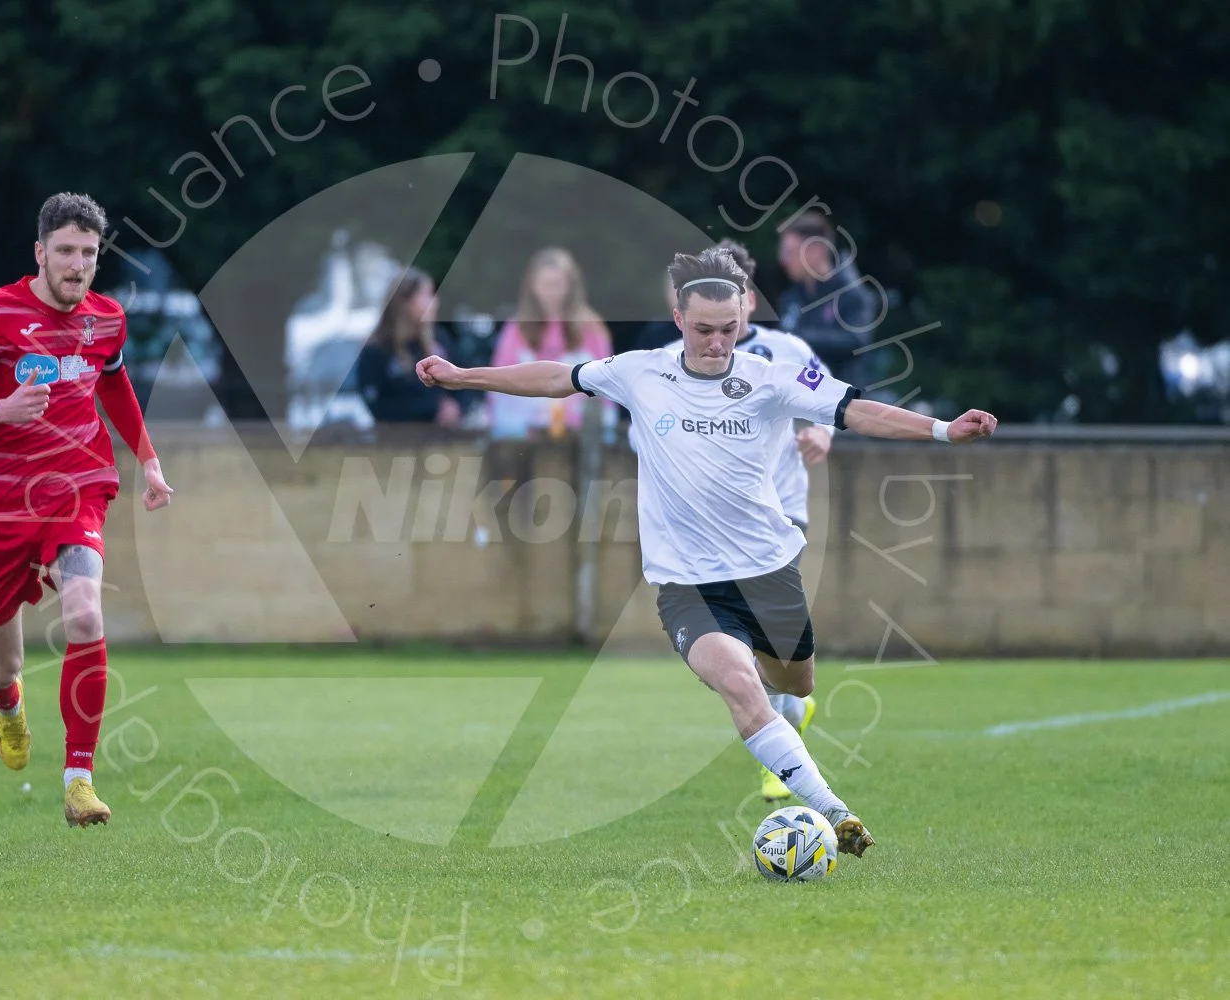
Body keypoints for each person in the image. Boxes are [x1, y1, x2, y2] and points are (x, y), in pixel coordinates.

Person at [416, 246, 997, 858]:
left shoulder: (772, 374)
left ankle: (788, 715)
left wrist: (941, 430)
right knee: (739, 684)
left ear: (743, 319)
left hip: (770, 571)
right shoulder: (642, 372)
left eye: (729, 330)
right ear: (678, 320)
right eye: (703, 331)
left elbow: (855, 410)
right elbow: (557, 376)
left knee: (793, 684)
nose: (718, 343)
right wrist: (462, 376)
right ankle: (836, 812)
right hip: (687, 584)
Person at [0, 192, 174, 828]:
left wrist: (147, 458)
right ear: (40, 253)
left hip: (77, 487)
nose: (77, 265)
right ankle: (8, 707)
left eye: (89, 254)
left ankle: (79, 780)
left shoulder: (107, 319)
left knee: (86, 613)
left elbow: (115, 381)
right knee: (2, 662)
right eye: (65, 251)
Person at [660, 240, 833, 803]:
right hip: (710, 530)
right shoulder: (674, 359)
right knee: (744, 656)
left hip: (779, 515)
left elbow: (829, 404)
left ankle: (775, 756)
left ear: (748, 298)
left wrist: (820, 434)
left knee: (766, 647)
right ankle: (786, 723)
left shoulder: (786, 352)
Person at [487, 247, 614, 439]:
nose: (551, 292)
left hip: (579, 433)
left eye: (557, 284)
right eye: (545, 284)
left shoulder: (592, 328)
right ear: (532, 285)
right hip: (525, 433)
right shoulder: (515, 329)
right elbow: (500, 386)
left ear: (570, 285)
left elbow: (607, 384)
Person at [775, 210, 882, 390]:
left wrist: (797, 339)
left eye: (789, 251)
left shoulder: (852, 294)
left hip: (843, 405)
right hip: (797, 402)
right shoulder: (790, 298)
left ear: (817, 250)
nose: (782, 259)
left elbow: (856, 341)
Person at [355, 268, 464, 427]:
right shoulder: (377, 350)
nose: (434, 302)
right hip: (397, 443)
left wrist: (457, 408)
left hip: (444, 439)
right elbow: (378, 405)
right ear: (404, 302)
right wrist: (432, 410)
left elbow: (463, 379)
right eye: (426, 295)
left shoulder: (440, 339)